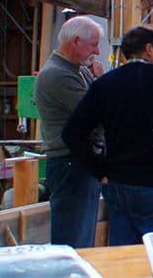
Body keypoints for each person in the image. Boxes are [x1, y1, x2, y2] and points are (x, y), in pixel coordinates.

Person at [61, 25, 153, 246]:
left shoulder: (105, 83)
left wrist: (99, 171)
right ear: (149, 49)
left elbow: (72, 133)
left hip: (117, 186)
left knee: (126, 259)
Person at [34, 15, 106, 248]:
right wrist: (103, 82)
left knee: (83, 238)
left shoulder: (79, 71)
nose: (96, 51)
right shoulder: (58, 74)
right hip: (69, 164)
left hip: (82, 163)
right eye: (93, 44)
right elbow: (97, 112)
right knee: (72, 242)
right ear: (75, 41)